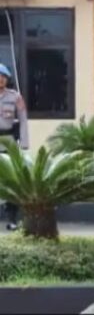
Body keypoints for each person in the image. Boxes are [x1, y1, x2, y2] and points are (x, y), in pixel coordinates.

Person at [0, 63, 28, 231]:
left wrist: (24, 143)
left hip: (9, 141)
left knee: (11, 181)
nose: (0, 80)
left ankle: (12, 219)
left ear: (7, 79)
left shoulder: (15, 97)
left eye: (3, 77)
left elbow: (23, 120)